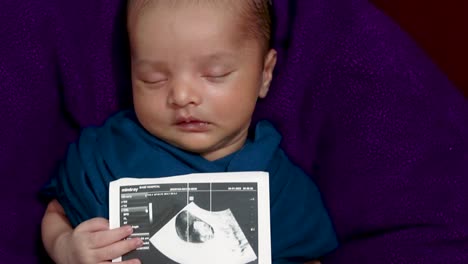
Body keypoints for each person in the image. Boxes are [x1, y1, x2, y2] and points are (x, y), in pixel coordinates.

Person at [41, 0, 338, 263]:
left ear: (265, 73)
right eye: (153, 78)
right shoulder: (106, 154)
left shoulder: (282, 187)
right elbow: (57, 213)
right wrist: (67, 248)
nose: (182, 96)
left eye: (215, 74)